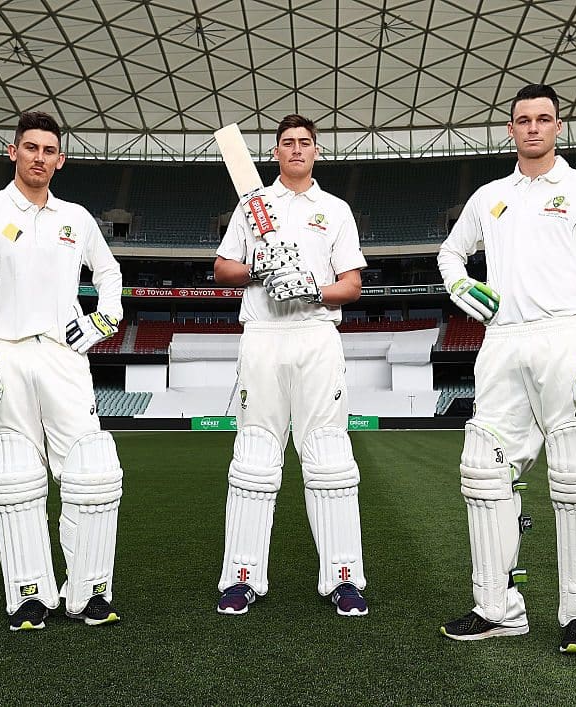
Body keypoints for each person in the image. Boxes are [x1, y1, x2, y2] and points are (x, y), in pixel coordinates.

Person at [436, 84, 576, 655]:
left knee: (574, 477)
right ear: (511, 129)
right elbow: (448, 252)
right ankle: (497, 607)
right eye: (523, 120)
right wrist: (461, 283)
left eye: (544, 119)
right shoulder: (491, 196)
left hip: (565, 336)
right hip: (501, 342)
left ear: (559, 127)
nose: (534, 128)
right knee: (484, 470)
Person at [0, 111, 125, 631]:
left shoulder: (75, 217)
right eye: (30, 148)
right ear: (13, 153)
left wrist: (100, 320)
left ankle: (90, 592)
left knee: (93, 473)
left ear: (61, 159)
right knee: (17, 476)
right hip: (6, 353)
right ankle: (29, 595)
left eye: (48, 150)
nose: (39, 157)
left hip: (64, 355)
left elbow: (110, 272)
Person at [212, 114, 369, 617]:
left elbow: (352, 285)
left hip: (316, 334)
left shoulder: (336, 209)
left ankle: (344, 578)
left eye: (305, 143)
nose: (297, 150)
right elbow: (222, 269)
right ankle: (241, 577)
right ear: (275, 153)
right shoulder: (252, 206)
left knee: (330, 460)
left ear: (316, 152)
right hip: (262, 336)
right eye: (287, 144)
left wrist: (311, 289)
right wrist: (261, 267)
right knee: (255, 457)